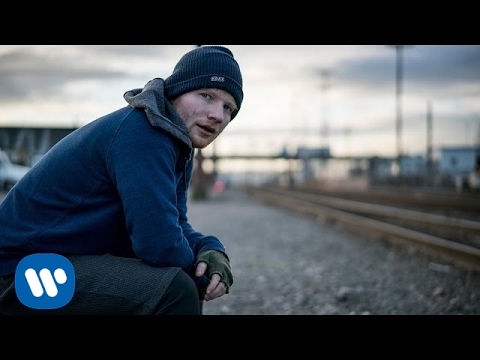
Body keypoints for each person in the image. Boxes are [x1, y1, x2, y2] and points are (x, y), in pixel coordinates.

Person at [0, 45, 243, 315]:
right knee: (176, 290)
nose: (218, 116)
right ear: (177, 90)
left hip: (54, 262)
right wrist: (202, 277)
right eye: (206, 95)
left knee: (171, 279)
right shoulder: (144, 134)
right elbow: (158, 246)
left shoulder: (175, 143)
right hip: (18, 274)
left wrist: (210, 249)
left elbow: (175, 224)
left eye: (229, 109)